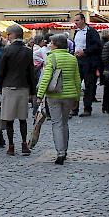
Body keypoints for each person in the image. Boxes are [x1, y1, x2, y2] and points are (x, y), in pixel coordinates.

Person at [37, 34, 81, 165]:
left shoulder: (52, 58)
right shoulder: (72, 58)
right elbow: (77, 79)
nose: (50, 45)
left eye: (51, 43)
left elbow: (46, 78)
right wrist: (77, 97)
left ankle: (60, 152)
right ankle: (65, 150)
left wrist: (40, 95)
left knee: (57, 123)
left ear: (56, 44)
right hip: (69, 95)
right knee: (65, 122)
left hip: (54, 95)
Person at [0, 25, 36, 156]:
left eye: (8, 34)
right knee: (22, 119)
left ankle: (11, 146)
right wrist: (32, 91)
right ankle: (24, 144)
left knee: (9, 119)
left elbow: (2, 71)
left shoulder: (7, 50)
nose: (7, 37)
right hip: (23, 87)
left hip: (8, 86)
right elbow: (31, 71)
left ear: (13, 35)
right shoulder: (27, 51)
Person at [72, 13, 102, 117]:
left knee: (89, 85)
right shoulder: (76, 32)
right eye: (75, 21)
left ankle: (87, 108)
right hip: (77, 60)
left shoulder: (91, 32)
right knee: (76, 84)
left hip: (89, 61)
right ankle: (74, 108)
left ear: (83, 20)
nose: (75, 23)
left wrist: (85, 51)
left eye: (77, 20)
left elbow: (97, 46)